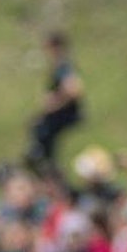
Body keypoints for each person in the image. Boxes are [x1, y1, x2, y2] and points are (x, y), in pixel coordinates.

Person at [26, 32, 84, 172]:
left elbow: (74, 90)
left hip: (65, 116)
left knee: (42, 133)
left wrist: (55, 102)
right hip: (61, 115)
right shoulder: (61, 65)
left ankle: (47, 167)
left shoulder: (64, 66)